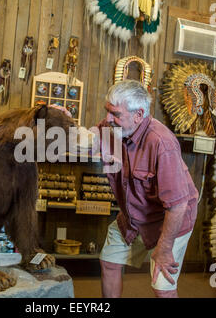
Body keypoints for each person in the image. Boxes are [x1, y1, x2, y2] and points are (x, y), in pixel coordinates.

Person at [52, 80, 198, 298]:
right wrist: (65, 123)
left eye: (116, 114)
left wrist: (165, 249)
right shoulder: (111, 128)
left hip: (169, 220)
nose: (108, 119)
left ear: (138, 115)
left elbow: (177, 205)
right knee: (109, 263)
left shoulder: (162, 143)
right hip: (132, 216)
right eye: (107, 112)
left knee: (162, 285)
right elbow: (86, 144)